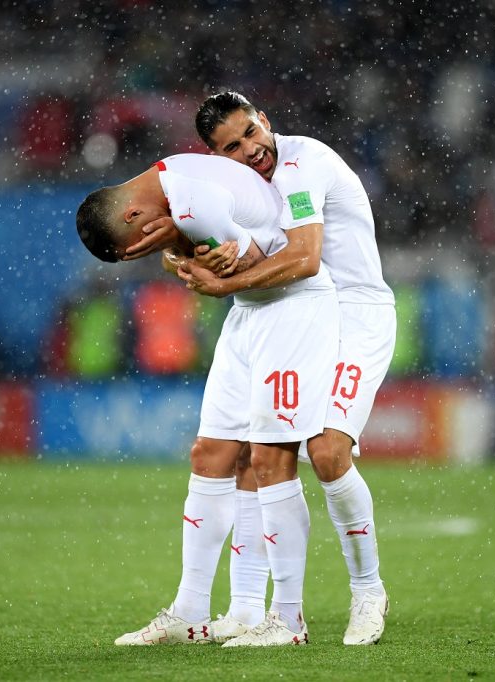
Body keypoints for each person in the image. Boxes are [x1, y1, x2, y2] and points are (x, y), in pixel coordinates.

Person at [128, 91, 395, 645]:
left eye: (251, 132)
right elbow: (219, 243)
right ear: (217, 155)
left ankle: (368, 591)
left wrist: (223, 282)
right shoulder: (234, 184)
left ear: (264, 120)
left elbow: (305, 258)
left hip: (354, 316)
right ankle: (246, 608)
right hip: (289, 315)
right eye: (232, 146)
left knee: (327, 452)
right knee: (248, 455)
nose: (250, 149)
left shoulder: (302, 164)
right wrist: (185, 256)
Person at [77, 152, 339, 646]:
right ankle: (195, 613)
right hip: (249, 312)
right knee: (212, 454)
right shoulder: (170, 180)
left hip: (292, 311)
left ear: (133, 214)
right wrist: (183, 251)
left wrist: (187, 252)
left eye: (137, 245)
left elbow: (263, 263)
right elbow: (212, 256)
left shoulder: (191, 204)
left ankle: (288, 619)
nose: (145, 250)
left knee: (270, 459)